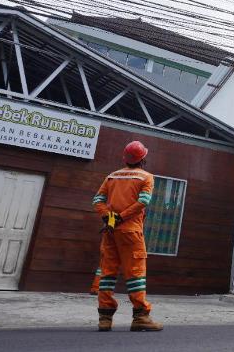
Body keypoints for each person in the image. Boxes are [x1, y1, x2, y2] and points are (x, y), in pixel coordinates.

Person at [92, 140, 163, 332]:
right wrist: (121, 218)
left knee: (108, 272)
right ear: (143, 159)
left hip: (111, 230)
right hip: (131, 232)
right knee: (135, 273)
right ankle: (141, 316)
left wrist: (111, 218)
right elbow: (143, 202)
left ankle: (104, 319)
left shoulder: (112, 176)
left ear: (125, 158)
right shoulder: (146, 177)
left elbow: (97, 200)